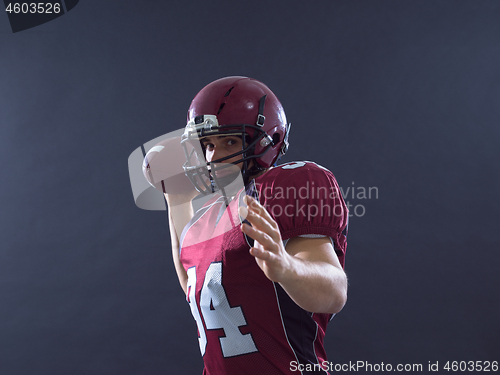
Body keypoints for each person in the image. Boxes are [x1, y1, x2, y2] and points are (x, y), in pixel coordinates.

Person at [165, 76, 348, 374]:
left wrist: (288, 268)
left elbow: (334, 291)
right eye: (208, 144)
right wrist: (175, 198)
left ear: (266, 141)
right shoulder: (212, 214)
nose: (214, 156)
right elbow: (195, 285)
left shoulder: (284, 188)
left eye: (229, 141)